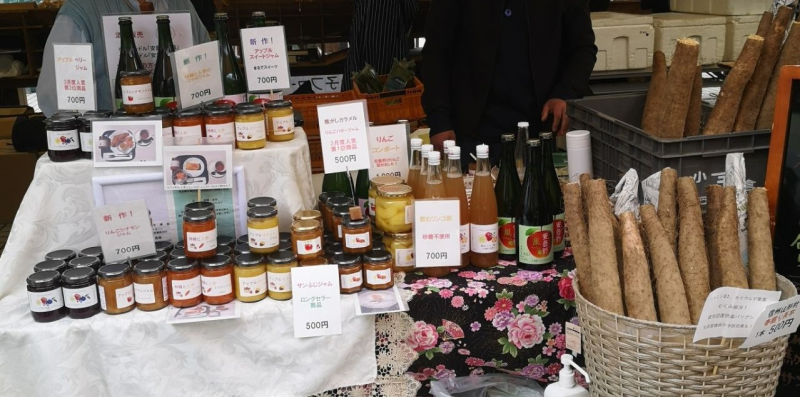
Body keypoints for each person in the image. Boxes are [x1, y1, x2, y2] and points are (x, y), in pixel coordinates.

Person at [421, 0, 597, 163]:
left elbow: (582, 48)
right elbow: (436, 53)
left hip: (540, 135)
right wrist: (439, 119)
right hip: (470, 135)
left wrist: (565, 93)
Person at [37, 0, 210, 116]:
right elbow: (56, 96)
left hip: (183, 135)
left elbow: (208, 71)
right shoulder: (81, 10)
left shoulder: (182, 4)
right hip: (113, 148)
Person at [342, 0, 419, 91]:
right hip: (390, 41)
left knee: (358, 86)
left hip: (365, 41)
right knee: (393, 93)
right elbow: (410, 10)